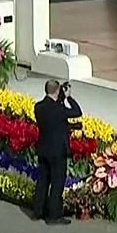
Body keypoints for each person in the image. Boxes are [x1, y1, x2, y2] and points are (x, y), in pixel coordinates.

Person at [32, 80, 83, 225]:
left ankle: (38, 210)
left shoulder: (39, 107)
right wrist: (68, 97)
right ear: (57, 91)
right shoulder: (59, 110)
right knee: (57, 182)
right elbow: (77, 112)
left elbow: (54, 124)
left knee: (43, 181)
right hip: (57, 152)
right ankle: (54, 215)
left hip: (43, 149)